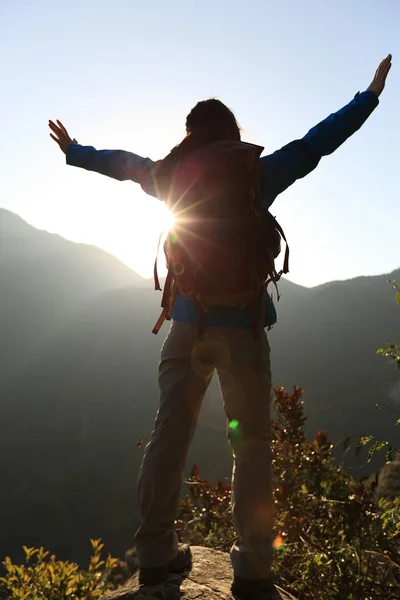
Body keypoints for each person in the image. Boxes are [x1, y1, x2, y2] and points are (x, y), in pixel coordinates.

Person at [49, 54, 391, 599]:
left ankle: (158, 554)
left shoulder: (168, 174)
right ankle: (254, 568)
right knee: (251, 444)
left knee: (170, 433)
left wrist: (74, 152)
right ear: (233, 133)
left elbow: (122, 163)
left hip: (187, 325)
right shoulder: (257, 172)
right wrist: (367, 98)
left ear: (190, 135)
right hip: (246, 331)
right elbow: (317, 142)